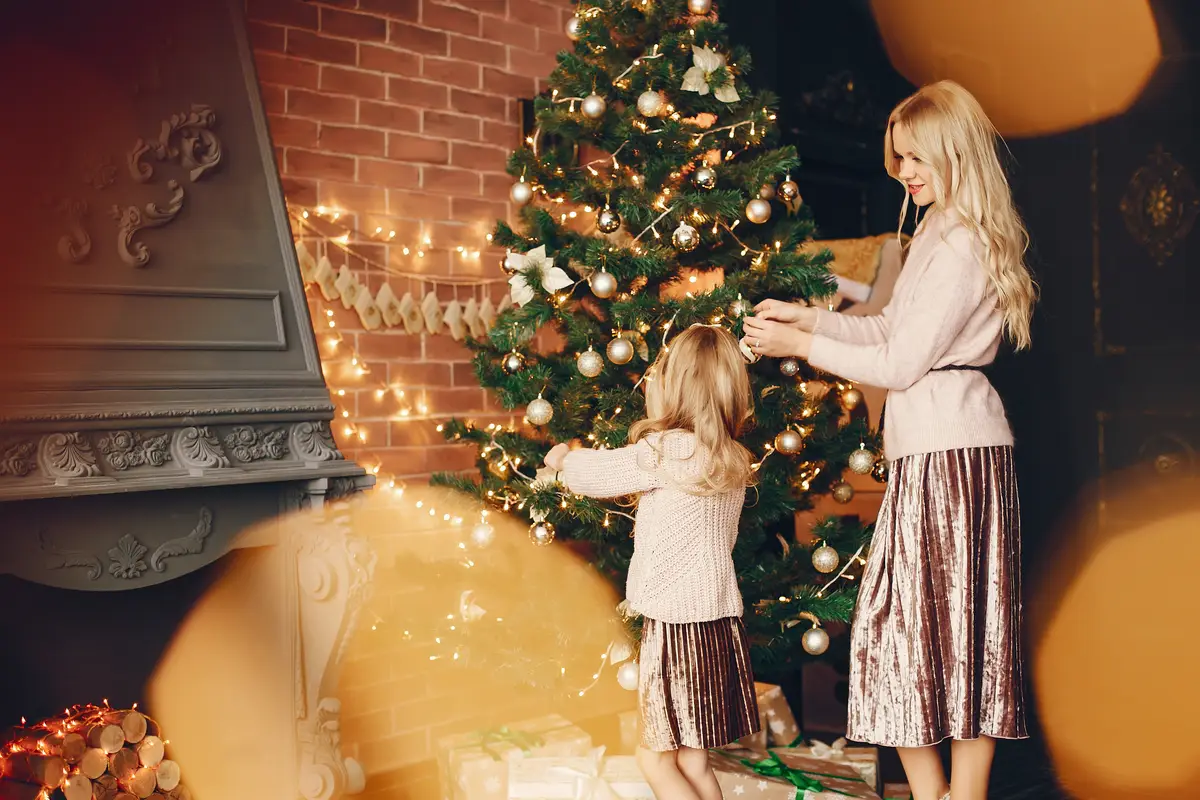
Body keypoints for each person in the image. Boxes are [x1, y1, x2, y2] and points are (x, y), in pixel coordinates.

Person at [741, 80, 1037, 800]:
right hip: (934, 449)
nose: (903, 171)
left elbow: (900, 364)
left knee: (948, 632)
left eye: (915, 157)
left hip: (951, 452)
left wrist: (801, 345)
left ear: (952, 151)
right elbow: (885, 332)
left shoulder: (963, 240)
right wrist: (807, 322)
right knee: (934, 631)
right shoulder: (936, 229)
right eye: (898, 158)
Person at [544, 324, 757, 800]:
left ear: (675, 387)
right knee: (693, 759)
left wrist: (561, 461)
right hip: (717, 622)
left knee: (654, 757)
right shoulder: (732, 459)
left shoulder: (666, 450)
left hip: (675, 625)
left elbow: (594, 474)